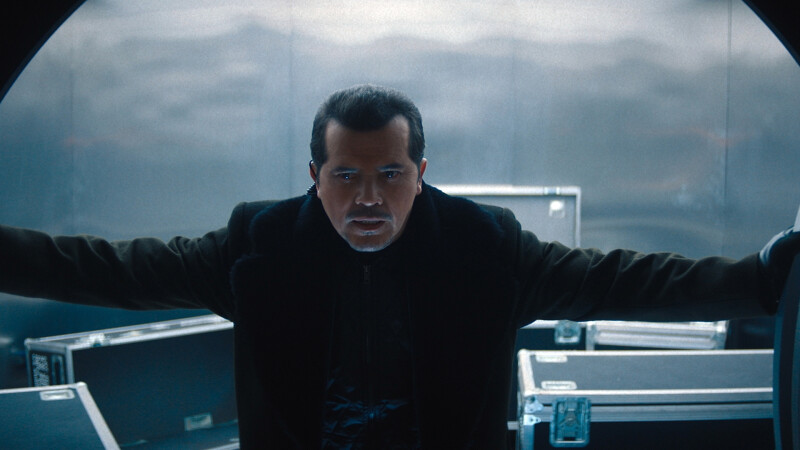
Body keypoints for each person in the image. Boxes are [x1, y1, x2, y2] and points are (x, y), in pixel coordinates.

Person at [1, 84, 798, 448]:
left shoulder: (485, 247)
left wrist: (761, 278)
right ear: (313, 177)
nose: (368, 198)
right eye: (345, 175)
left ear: (421, 172)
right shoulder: (259, 246)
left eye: (390, 174)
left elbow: (621, 279)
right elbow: (112, 268)